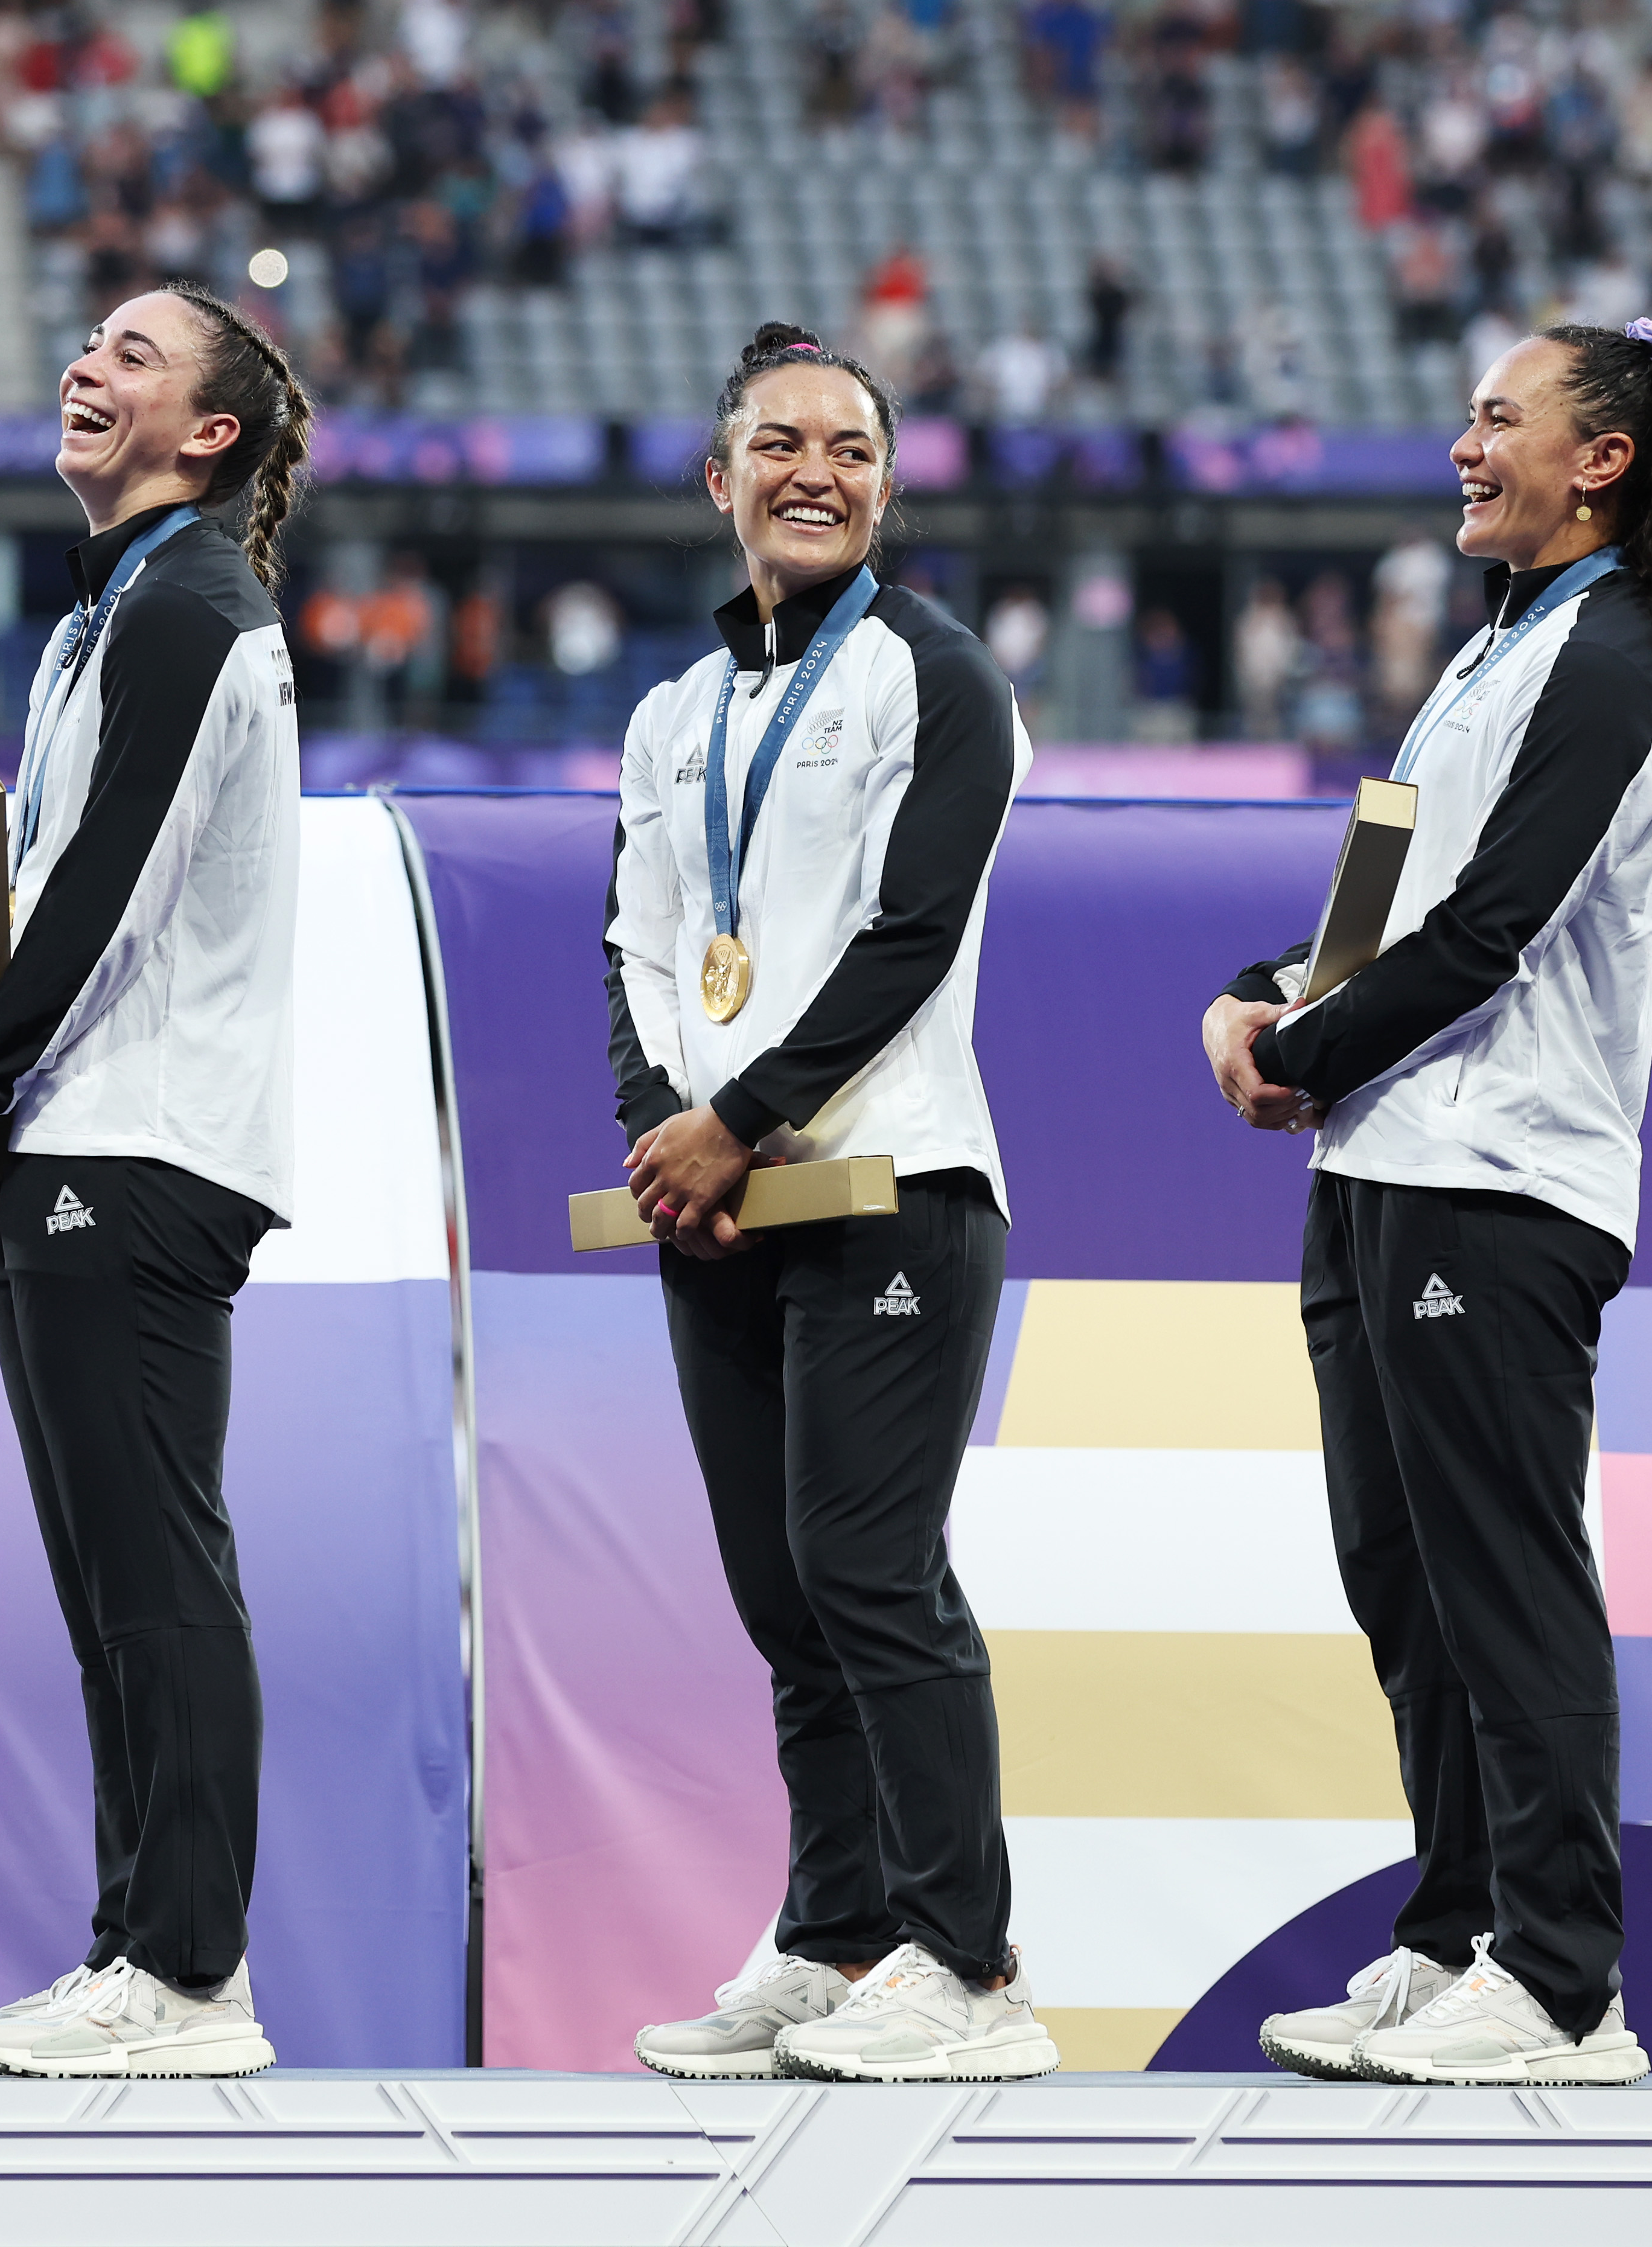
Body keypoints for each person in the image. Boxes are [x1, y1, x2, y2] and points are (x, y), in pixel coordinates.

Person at [1199, 318, 1652, 2086]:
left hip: (1502, 1180)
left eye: (1497, 419)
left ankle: (1563, 1981)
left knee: (1506, 1575)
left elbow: (1487, 929)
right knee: (1408, 1575)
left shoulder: (1610, 655)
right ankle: (1456, 1928)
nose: (1464, 446)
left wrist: (1300, 1041)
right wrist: (1258, 986)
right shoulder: (1490, 648)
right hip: (1383, 1164)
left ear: (1599, 460)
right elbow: (1387, 899)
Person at [0, 282, 311, 2080]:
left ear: (209, 434)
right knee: (109, 1574)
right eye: (90, 340)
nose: (88, 363)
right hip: (80, 1134)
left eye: (138, 355)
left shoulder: (195, 601)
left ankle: (191, 1970)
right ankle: (139, 1945)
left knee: (154, 1564)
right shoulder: (104, 622)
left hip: (139, 1142)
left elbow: (103, 883)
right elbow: (34, 876)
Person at [609, 322, 1050, 2085]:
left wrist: (742, 1116)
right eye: (781, 445)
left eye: (853, 449)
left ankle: (969, 1960)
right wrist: (669, 1133)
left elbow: (909, 934)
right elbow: (634, 940)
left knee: (872, 1569)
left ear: (885, 483)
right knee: (786, 1590)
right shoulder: (670, 713)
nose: (818, 472)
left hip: (892, 1180)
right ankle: (842, 1929)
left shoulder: (936, 677)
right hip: (724, 1200)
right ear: (722, 481)